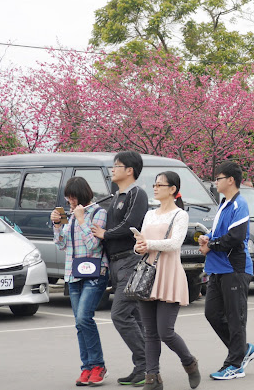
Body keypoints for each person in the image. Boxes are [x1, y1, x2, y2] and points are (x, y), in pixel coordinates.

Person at [133, 171, 200, 390]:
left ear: (172, 189)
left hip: (169, 274)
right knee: (150, 333)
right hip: (148, 275)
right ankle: (152, 377)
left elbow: (174, 243)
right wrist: (138, 246)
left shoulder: (180, 215)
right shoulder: (150, 214)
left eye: (160, 185)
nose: (155, 188)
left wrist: (149, 244)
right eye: (154, 184)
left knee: (165, 332)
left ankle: (189, 362)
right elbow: (142, 243)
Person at [91, 151, 148, 386]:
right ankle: (144, 367)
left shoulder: (137, 194)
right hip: (115, 262)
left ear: (129, 170)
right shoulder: (115, 196)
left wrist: (106, 234)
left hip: (130, 261)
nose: (112, 169)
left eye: (117, 166)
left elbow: (131, 225)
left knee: (120, 314)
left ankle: (147, 364)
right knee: (134, 315)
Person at [198, 161, 254, 380]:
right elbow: (220, 234)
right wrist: (208, 239)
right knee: (212, 314)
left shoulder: (239, 204)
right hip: (217, 268)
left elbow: (236, 237)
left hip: (234, 268)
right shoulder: (224, 204)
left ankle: (235, 364)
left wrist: (211, 245)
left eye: (218, 178)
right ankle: (242, 350)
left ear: (230, 180)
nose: (216, 182)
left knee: (235, 318)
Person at [51, 177, 109, 386]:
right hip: (73, 273)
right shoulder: (71, 215)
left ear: (82, 195)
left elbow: (94, 245)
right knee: (79, 323)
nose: (69, 200)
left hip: (94, 272)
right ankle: (87, 367)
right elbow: (62, 244)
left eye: (73, 196)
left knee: (84, 317)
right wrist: (58, 225)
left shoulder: (98, 213)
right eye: (68, 197)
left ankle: (98, 366)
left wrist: (82, 219)